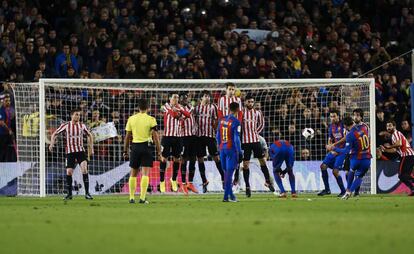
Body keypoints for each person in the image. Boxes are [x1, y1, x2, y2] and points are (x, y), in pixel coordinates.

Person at [49, 108, 94, 200]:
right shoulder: (65, 125)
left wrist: (91, 148)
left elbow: (90, 135)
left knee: (84, 169)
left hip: (80, 151)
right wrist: (51, 143)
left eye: (79, 115)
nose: (78, 116)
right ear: (72, 115)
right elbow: (54, 134)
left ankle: (87, 193)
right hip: (70, 152)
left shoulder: (82, 126)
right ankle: (69, 194)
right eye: (76, 114)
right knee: (69, 172)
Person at [123, 99, 161, 204]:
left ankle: (131, 198)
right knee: (145, 173)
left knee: (133, 173)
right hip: (147, 147)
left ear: (138, 108)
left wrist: (125, 151)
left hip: (135, 147)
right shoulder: (151, 119)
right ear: (148, 108)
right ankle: (142, 198)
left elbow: (127, 137)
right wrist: (159, 152)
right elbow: (156, 137)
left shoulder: (131, 119)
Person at [327, 116, 372, 199]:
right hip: (367, 158)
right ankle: (349, 191)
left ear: (345, 126)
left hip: (356, 159)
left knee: (351, 171)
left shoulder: (350, 135)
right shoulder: (364, 128)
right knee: (359, 177)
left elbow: (346, 151)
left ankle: (348, 191)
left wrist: (333, 148)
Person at [241, 94, 274, 197]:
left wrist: (255, 133)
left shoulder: (257, 113)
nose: (250, 104)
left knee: (262, 161)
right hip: (245, 142)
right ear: (245, 102)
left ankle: (268, 181)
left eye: (252, 102)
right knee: (245, 164)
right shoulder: (241, 112)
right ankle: (247, 186)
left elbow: (262, 124)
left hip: (255, 141)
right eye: (249, 102)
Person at [159, 93, 190, 193]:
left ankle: (173, 179)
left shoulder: (180, 107)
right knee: (164, 159)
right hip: (167, 136)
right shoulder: (166, 106)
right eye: (174, 97)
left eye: (177, 97)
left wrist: (180, 110)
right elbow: (173, 115)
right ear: (170, 98)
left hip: (178, 137)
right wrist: (179, 113)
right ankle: (162, 181)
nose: (176, 99)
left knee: (177, 159)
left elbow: (188, 115)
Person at [194, 90, 224, 193]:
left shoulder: (213, 107)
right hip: (199, 137)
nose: (207, 98)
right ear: (201, 98)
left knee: (216, 157)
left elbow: (217, 120)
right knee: (200, 159)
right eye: (205, 96)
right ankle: (204, 181)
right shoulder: (196, 108)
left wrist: (216, 127)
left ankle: (224, 178)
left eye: (208, 96)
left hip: (210, 136)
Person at [217, 102, 243, 202]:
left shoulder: (222, 120)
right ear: (237, 110)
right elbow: (236, 139)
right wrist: (240, 152)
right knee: (229, 174)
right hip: (231, 150)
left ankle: (231, 196)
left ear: (229, 109)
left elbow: (217, 136)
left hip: (222, 149)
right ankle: (225, 197)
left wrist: (220, 147)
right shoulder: (236, 122)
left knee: (226, 174)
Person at [380, 120, 414, 196]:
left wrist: (389, 146)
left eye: (390, 126)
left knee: (402, 175)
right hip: (407, 155)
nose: (388, 127)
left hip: (407, 154)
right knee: (404, 176)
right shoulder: (393, 136)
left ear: (394, 126)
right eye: (387, 126)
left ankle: (412, 188)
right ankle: (412, 188)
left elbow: (399, 144)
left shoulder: (396, 133)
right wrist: (385, 150)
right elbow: (395, 150)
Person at [318, 110, 347, 196]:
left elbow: (346, 138)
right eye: (331, 117)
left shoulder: (343, 125)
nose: (332, 118)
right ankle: (327, 190)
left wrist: (334, 145)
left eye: (334, 116)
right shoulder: (331, 126)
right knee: (323, 166)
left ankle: (343, 191)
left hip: (342, 151)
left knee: (335, 171)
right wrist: (330, 147)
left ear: (338, 116)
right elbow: (330, 138)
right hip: (334, 150)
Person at [179, 92, 198, 194]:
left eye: (187, 98)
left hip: (193, 136)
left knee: (193, 160)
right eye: (184, 98)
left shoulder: (191, 106)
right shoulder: (178, 108)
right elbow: (180, 121)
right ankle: (183, 183)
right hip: (183, 137)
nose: (186, 99)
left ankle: (190, 183)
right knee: (184, 160)